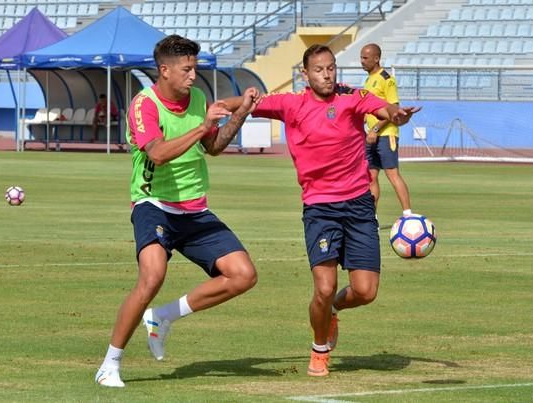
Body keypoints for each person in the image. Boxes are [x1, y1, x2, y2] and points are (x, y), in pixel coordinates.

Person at [234, 44, 420, 376]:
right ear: (306, 74)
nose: (327, 74)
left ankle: (333, 310)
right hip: (320, 208)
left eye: (331, 68)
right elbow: (251, 103)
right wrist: (226, 105)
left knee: (366, 291)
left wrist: (397, 115)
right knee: (323, 286)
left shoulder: (352, 97)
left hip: (359, 204)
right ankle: (319, 350)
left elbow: (384, 110)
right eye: (319, 70)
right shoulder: (292, 104)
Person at [95, 35, 261, 388]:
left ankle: (164, 317)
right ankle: (110, 363)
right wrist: (203, 124)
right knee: (152, 276)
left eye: (194, 68)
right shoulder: (145, 104)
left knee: (243, 275)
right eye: (186, 69)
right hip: (153, 205)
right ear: (164, 69)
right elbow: (156, 153)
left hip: (195, 209)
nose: (192, 75)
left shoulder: (198, 99)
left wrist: (240, 113)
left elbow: (212, 147)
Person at [360, 43, 413, 217]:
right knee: (371, 177)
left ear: (376, 58)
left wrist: (375, 128)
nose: (362, 61)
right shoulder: (368, 80)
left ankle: (408, 214)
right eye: (361, 57)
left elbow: (394, 107)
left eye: (365, 58)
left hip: (385, 134)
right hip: (371, 136)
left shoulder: (386, 78)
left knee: (392, 174)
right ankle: (371, 218)